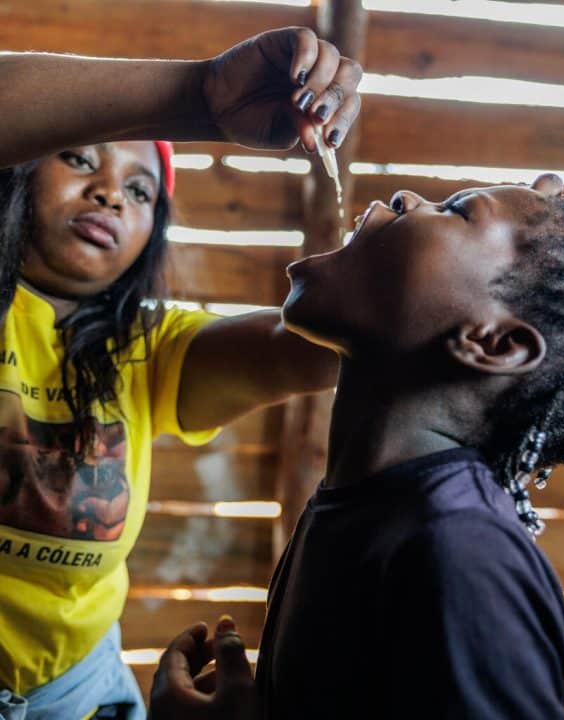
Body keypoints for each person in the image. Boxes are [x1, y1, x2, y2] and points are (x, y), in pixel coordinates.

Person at [148, 174, 564, 719]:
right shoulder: (366, 506)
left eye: (458, 211)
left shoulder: (463, 554)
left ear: (494, 342)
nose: (405, 199)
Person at [0, 27, 363, 720]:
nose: (110, 195)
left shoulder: (149, 346)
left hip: (76, 692)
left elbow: (317, 345)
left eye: (140, 192)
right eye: (79, 158)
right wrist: (200, 94)